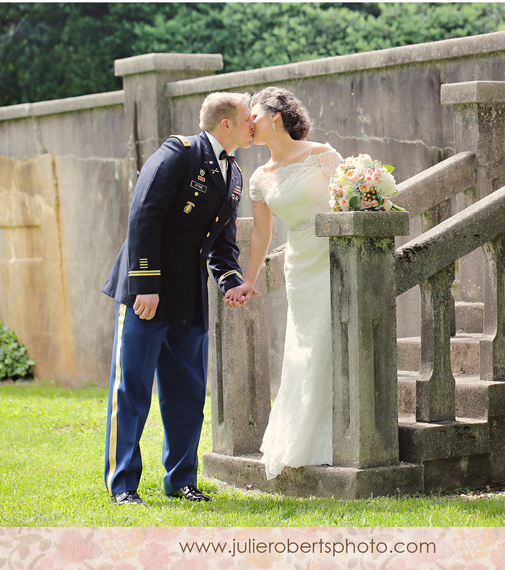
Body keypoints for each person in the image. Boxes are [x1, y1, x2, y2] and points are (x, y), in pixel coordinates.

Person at [102, 92, 254, 504]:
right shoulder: (178, 153)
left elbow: (222, 243)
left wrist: (230, 281)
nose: (254, 123)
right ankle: (124, 485)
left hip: (188, 295)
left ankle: (182, 480)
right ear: (226, 123)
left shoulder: (235, 174)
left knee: (187, 391)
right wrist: (145, 286)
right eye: (247, 118)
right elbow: (143, 214)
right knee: (132, 389)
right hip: (146, 293)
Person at [224, 86, 343, 480]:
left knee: (331, 344)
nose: (248, 123)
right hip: (300, 266)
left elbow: (349, 205)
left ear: (274, 116)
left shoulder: (323, 155)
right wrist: (249, 280)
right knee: (303, 349)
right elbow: (261, 234)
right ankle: (304, 440)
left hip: (334, 261)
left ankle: (337, 436)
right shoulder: (259, 177)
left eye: (252, 115)